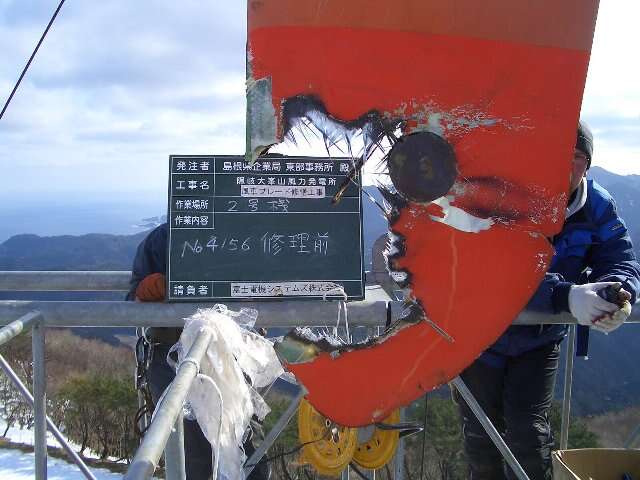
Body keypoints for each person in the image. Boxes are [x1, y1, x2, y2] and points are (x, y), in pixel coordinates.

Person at [454, 121, 640, 480]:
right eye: (557, 154)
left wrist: (618, 291)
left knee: (528, 433)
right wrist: (565, 296)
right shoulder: (505, 198)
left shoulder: (596, 205)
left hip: (539, 340)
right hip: (480, 337)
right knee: (481, 438)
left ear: (588, 164)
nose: (566, 165)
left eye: (577, 157)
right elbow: (498, 269)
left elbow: (619, 256)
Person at [127, 223, 271, 480]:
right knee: (194, 450)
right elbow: (133, 301)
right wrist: (144, 292)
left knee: (244, 439)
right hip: (172, 360)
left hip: (233, 360)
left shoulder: (251, 234)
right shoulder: (162, 239)